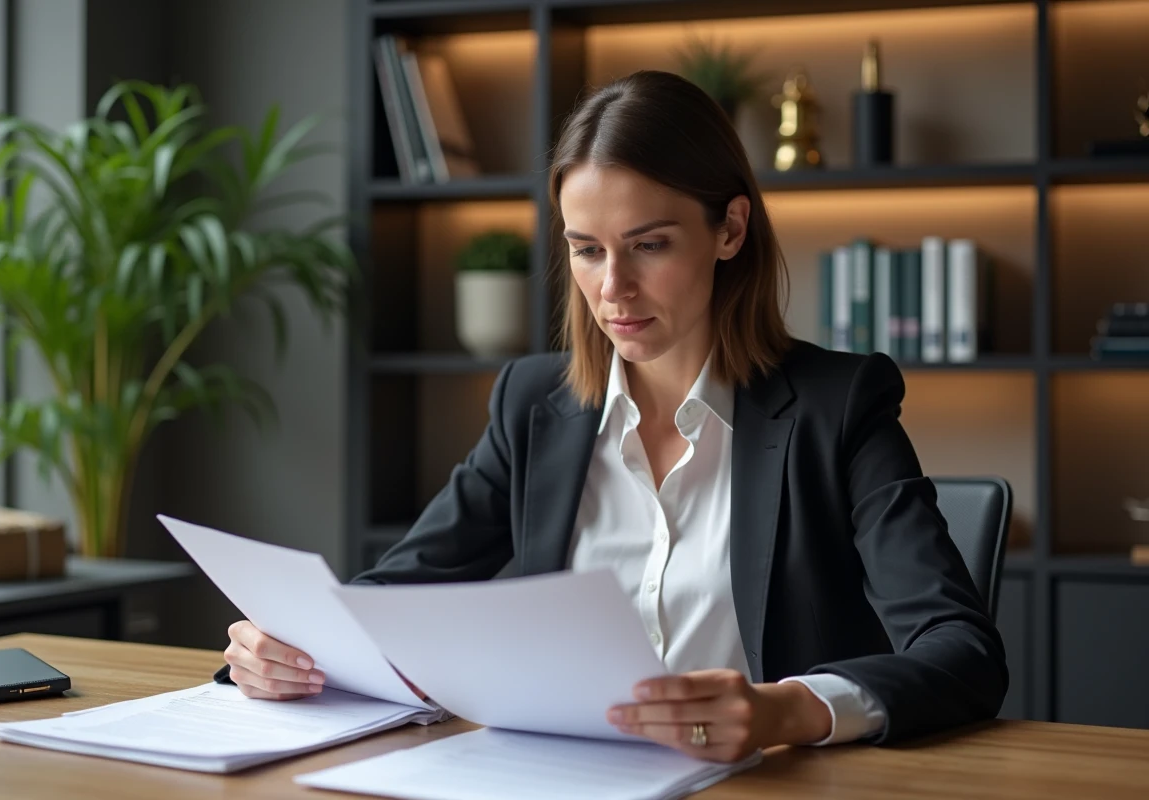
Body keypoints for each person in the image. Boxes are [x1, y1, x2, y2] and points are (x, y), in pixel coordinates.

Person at [218, 69, 1007, 763]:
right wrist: (284, 649)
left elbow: (963, 651)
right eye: (587, 249)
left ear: (730, 230)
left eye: (649, 246)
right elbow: (393, 596)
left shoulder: (840, 406)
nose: (612, 288)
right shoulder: (535, 406)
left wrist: (784, 710)